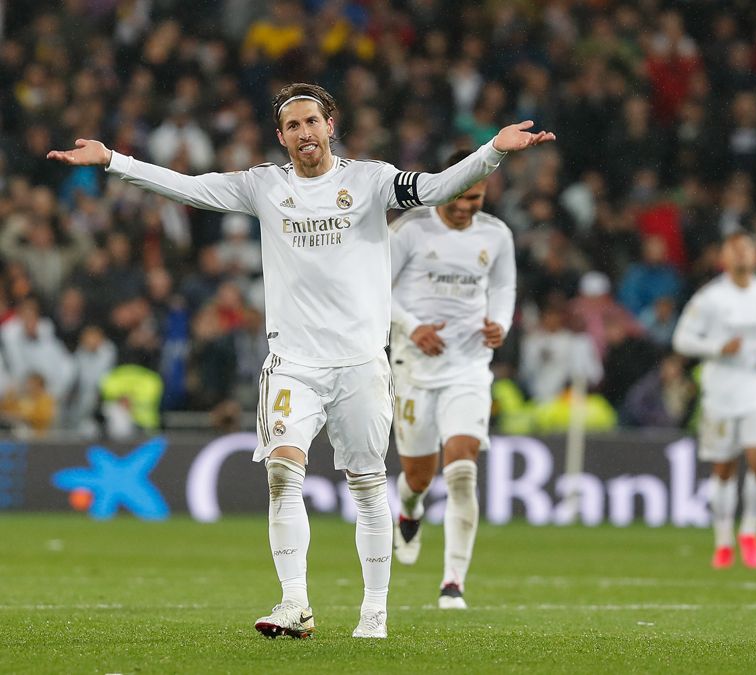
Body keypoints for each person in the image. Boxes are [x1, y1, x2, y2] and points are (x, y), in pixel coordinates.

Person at [48, 82, 554, 638]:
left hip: (361, 363)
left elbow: (436, 189)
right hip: (293, 362)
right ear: (281, 137)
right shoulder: (263, 186)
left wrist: (494, 152)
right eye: (293, 126)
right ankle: (295, 603)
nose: (304, 133)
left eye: (312, 121)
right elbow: (189, 188)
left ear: (330, 124)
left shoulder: (372, 181)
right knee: (282, 474)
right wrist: (114, 160)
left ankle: (375, 610)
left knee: (366, 487)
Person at [387, 151, 516, 610]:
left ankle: (453, 582)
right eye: (459, 196)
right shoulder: (411, 228)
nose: (465, 206)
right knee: (418, 478)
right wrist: (411, 326)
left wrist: (500, 323)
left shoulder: (496, 234)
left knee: (462, 469)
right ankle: (409, 509)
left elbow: (503, 289)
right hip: (414, 369)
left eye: (476, 198)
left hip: (468, 367)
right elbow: (373, 289)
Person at [672, 231, 756, 569]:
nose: (741, 255)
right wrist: (717, 348)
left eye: (746, 249)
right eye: (734, 250)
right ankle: (723, 540)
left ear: (755, 256)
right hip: (721, 393)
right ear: (724, 257)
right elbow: (682, 339)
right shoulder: (709, 298)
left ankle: (749, 532)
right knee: (723, 470)